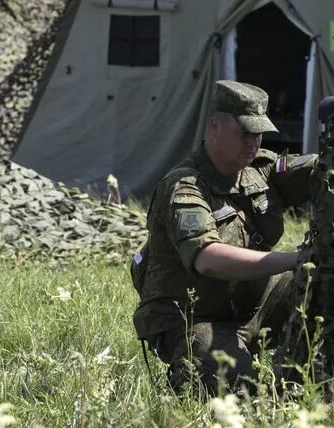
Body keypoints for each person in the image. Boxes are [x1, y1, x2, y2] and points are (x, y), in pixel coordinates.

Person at [132, 80, 319, 394]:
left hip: (251, 304)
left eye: (258, 134)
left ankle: (301, 370)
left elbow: (320, 170)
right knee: (245, 393)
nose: (253, 143)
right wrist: (295, 260)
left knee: (323, 285)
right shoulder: (185, 186)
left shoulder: (260, 170)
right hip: (194, 316)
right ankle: (189, 371)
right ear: (214, 126)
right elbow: (209, 259)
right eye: (244, 133)